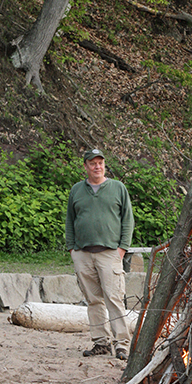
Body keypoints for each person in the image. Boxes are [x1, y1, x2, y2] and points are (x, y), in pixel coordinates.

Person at [65, 148, 135, 361]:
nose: (97, 166)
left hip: (110, 252)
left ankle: (122, 344)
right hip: (83, 254)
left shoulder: (118, 188)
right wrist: (72, 248)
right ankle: (100, 342)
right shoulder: (77, 190)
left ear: (104, 165)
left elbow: (128, 219)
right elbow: (70, 220)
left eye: (100, 162)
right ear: (85, 166)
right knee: (93, 300)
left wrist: (122, 247)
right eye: (92, 163)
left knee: (114, 299)